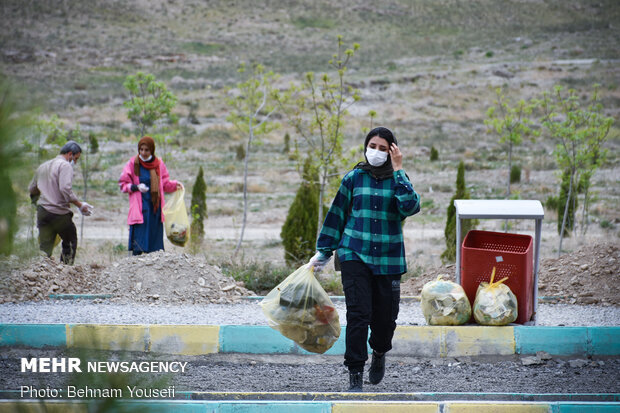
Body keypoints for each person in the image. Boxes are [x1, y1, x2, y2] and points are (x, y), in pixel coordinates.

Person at [309, 126, 421, 392]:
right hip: (354, 253)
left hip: (388, 259)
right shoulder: (353, 178)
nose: (377, 152)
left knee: (385, 320)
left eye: (383, 148)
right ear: (365, 147)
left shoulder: (398, 179)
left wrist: (399, 170)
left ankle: (379, 352)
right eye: (373, 146)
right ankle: (355, 372)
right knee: (358, 314)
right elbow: (336, 215)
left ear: (393, 151)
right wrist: (323, 252)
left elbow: (411, 207)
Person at [29, 140, 93, 265]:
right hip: (59, 212)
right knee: (70, 241)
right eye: (76, 158)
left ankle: (41, 273)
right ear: (70, 154)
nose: (75, 162)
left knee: (45, 246)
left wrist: (35, 203)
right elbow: (65, 188)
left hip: (43, 212)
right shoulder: (65, 165)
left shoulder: (43, 166)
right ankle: (65, 271)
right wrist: (80, 205)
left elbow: (32, 188)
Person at [118, 136, 183, 255]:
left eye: (146, 150)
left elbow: (165, 184)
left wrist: (175, 185)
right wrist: (136, 187)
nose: (143, 152)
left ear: (152, 150)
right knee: (139, 245)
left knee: (155, 248)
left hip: (155, 209)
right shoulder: (133, 163)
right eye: (141, 149)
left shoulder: (158, 164)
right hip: (140, 209)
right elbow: (123, 184)